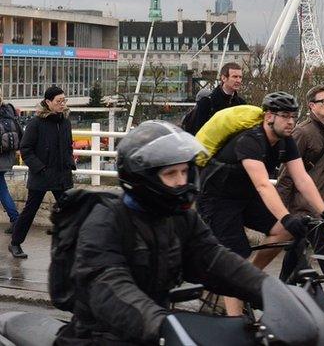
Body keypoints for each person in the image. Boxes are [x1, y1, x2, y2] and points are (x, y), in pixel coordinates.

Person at [55, 120, 269, 345]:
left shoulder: (180, 219)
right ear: (142, 178)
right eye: (171, 174)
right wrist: (163, 326)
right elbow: (110, 288)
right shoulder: (105, 222)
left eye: (185, 171)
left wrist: (269, 289)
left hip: (155, 332)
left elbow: (214, 259)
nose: (181, 182)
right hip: (101, 335)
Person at [196, 91, 324, 316]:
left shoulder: (286, 142)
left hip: (245, 198)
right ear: (269, 116)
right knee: (235, 256)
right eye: (285, 116)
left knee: (284, 232)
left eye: (293, 116)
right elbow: (263, 186)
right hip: (217, 199)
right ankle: (234, 321)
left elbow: (302, 179)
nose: (290, 122)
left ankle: (245, 279)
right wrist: (286, 216)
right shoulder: (250, 140)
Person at [276, 85, 324, 281]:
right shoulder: (302, 132)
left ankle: (280, 287)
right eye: (323, 101)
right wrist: (281, 209)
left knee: (297, 249)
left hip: (321, 198)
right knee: (322, 246)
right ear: (312, 105)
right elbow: (287, 174)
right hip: (303, 203)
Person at [8, 86, 73, 259]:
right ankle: (15, 243)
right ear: (48, 102)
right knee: (30, 210)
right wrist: (40, 168)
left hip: (62, 174)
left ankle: (69, 245)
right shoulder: (36, 123)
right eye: (58, 101)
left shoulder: (65, 121)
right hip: (41, 174)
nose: (62, 104)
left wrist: (70, 163)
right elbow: (26, 149)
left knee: (70, 210)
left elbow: (68, 146)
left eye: (64, 100)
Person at [187, 62, 245, 134]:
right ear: (224, 78)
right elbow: (197, 132)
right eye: (235, 77)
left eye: (240, 77)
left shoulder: (242, 104)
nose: (238, 80)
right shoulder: (206, 103)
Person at [0, 98, 22, 234]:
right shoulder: (8, 109)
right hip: (7, 156)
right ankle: (15, 220)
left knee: (2, 190)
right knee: (2, 189)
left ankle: (16, 220)